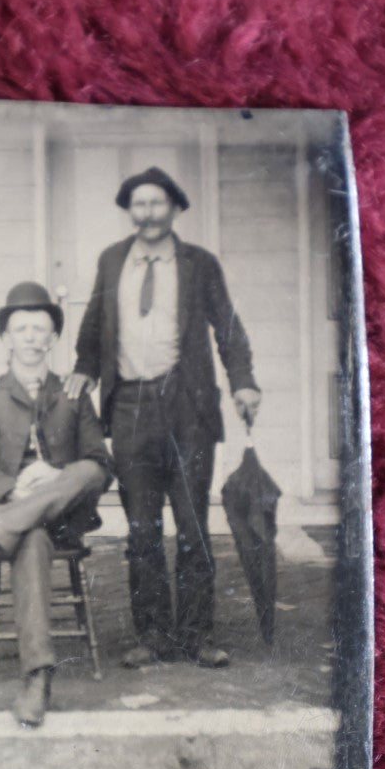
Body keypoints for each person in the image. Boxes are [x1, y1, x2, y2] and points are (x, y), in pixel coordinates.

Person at [65, 167, 261, 670]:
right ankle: (151, 636)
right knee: (143, 530)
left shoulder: (199, 264)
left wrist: (242, 380)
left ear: (174, 209)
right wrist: (84, 371)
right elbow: (92, 324)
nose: (147, 213)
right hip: (129, 406)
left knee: (192, 526)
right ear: (130, 211)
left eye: (156, 203)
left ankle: (197, 635)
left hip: (187, 407)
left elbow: (229, 327)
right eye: (139, 204)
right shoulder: (112, 261)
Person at [0, 282, 112, 728]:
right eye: (21, 329)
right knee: (29, 537)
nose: (31, 337)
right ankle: (37, 676)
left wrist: (55, 476)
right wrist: (14, 490)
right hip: (6, 513)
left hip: (63, 517)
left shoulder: (73, 392)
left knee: (88, 471)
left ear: (52, 339)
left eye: (40, 329)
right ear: (6, 338)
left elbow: (100, 466)